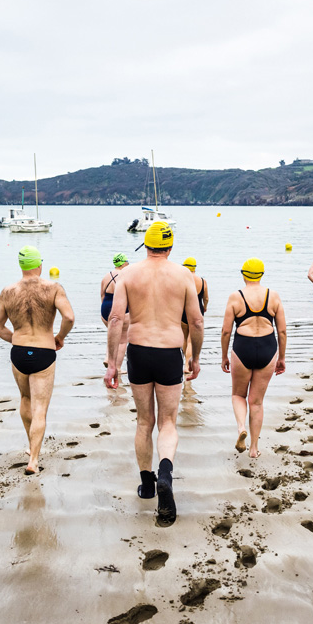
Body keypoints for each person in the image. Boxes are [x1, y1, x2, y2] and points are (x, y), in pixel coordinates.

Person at [104, 221, 203, 526]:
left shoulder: (127, 274)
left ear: (145, 245)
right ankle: (165, 473)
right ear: (170, 247)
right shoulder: (185, 276)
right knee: (168, 421)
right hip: (170, 353)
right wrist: (194, 358)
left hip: (139, 351)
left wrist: (112, 363)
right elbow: (196, 322)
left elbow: (116, 318)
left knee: (144, 421)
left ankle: (147, 485)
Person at [0, 246, 75, 474]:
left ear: (21, 266)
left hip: (19, 353)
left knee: (25, 398)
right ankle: (34, 461)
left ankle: (30, 446)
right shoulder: (54, 288)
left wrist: (16, 340)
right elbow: (69, 316)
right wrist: (59, 337)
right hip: (44, 353)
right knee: (40, 409)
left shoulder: (8, 291)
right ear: (40, 265)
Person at [220, 258, 286, 459]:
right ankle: (254, 449)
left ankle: (241, 427)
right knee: (256, 402)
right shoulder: (273, 296)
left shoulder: (235, 297)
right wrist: (281, 357)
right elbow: (282, 331)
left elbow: (225, 331)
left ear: (243, 274)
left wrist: (224, 356)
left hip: (243, 347)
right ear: (262, 275)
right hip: (267, 347)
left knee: (239, 395)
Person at [100, 253, 130, 366]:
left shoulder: (106, 276)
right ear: (123, 263)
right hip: (121, 307)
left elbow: (102, 295)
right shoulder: (125, 275)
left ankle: (107, 357)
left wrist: (105, 310)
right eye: (127, 261)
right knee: (122, 340)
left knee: (112, 334)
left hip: (106, 308)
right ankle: (117, 367)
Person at [180, 257, 209, 369]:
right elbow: (206, 298)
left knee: (184, 338)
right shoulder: (202, 281)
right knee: (191, 341)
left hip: (183, 312)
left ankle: (184, 363)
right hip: (197, 311)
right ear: (194, 268)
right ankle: (187, 365)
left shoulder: (180, 280)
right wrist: (205, 307)